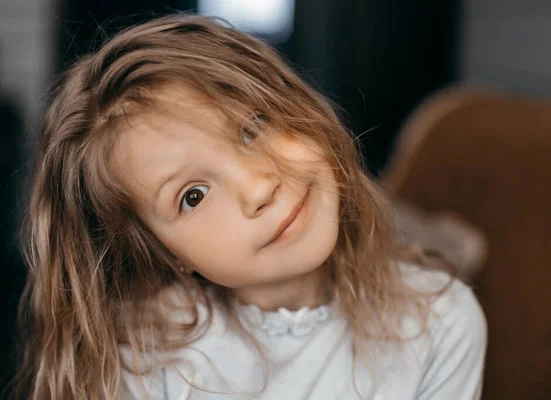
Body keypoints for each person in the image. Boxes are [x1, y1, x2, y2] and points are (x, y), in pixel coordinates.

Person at [14, 15, 486, 400]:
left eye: (253, 125)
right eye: (192, 196)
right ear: (165, 252)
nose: (259, 187)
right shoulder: (143, 356)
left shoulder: (441, 324)